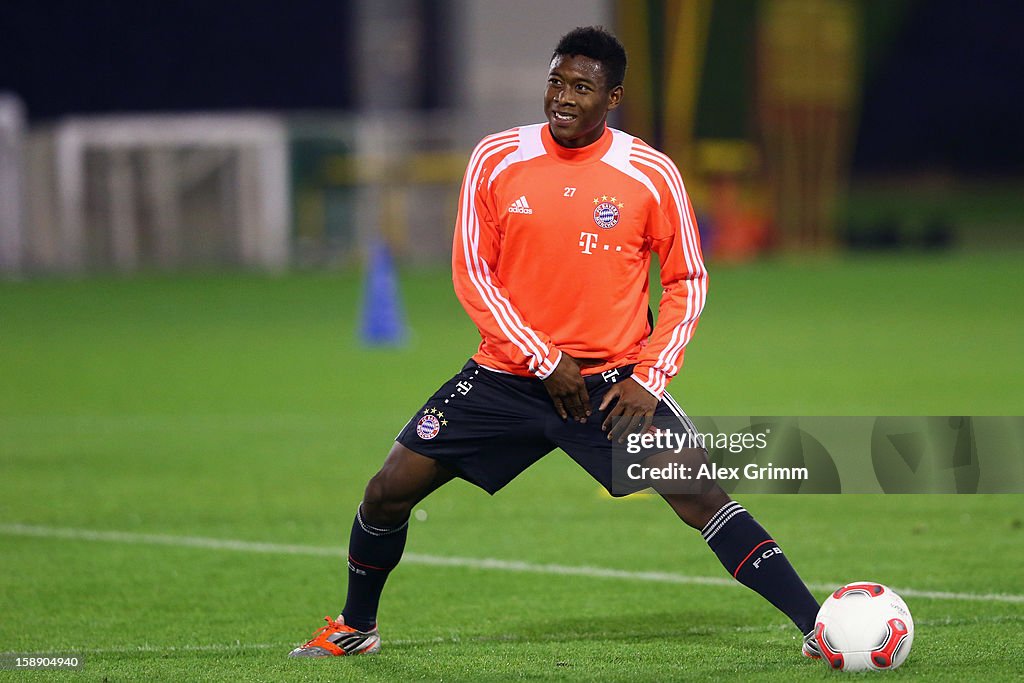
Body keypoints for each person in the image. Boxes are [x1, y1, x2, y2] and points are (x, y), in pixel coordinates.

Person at [290, 25, 823, 661]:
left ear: (613, 97)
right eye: (556, 82)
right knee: (387, 489)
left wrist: (650, 378)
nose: (563, 98)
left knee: (702, 497)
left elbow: (687, 279)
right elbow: (472, 275)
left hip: (612, 386)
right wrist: (544, 359)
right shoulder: (497, 158)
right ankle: (356, 627)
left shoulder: (650, 174)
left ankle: (819, 628)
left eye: (582, 87)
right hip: (506, 377)